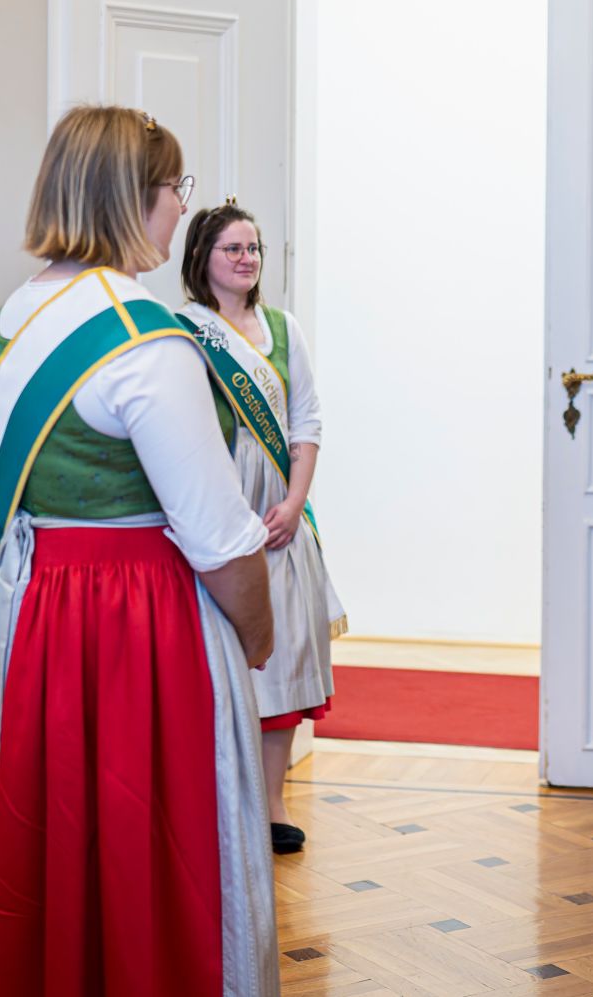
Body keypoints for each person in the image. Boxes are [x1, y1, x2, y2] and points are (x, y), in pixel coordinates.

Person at [0, 107, 277, 996]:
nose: (179, 211)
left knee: (47, 841)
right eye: (176, 190)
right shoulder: (143, 337)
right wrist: (258, 634)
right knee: (151, 848)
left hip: (33, 607)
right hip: (132, 623)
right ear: (136, 198)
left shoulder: (20, 310)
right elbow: (217, 532)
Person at [178, 201, 345, 856]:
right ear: (202, 258)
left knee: (286, 666)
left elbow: (307, 421)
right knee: (221, 666)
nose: (246, 259)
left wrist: (294, 501)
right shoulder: (183, 330)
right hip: (219, 513)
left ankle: (273, 803)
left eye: (253, 249)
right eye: (232, 248)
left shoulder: (283, 327)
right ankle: (220, 801)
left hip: (279, 519)